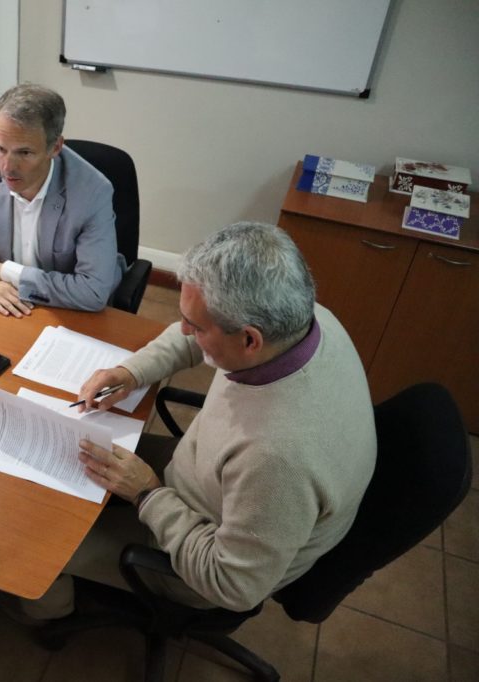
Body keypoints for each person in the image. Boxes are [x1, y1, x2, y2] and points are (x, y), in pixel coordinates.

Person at [26, 222, 377, 617]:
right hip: (201, 479)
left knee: (36, 544)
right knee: (62, 471)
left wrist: (147, 494)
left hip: (196, 567)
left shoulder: (276, 458)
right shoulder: (305, 319)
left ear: (249, 340)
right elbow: (190, 337)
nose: (183, 330)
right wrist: (131, 372)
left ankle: (46, 617)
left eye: (195, 326)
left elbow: (232, 585)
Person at [0, 83, 124, 316]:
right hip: (6, 303)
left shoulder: (92, 192)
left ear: (55, 147)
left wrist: (6, 272)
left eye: (24, 153)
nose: (7, 167)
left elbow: (92, 291)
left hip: (68, 310)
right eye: (1, 149)